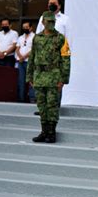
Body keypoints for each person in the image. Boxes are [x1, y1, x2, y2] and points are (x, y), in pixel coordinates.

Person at [27, 11, 71, 144]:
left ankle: (51, 133)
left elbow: (66, 59)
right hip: (39, 76)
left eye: (53, 22)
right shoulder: (37, 38)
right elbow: (32, 57)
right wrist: (29, 76)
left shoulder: (60, 38)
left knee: (52, 105)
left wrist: (63, 79)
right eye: (48, 21)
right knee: (41, 105)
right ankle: (43, 131)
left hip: (53, 76)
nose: (51, 24)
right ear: (43, 22)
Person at [34, 0, 71, 115]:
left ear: (59, 6)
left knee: (56, 83)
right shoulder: (42, 18)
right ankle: (43, 109)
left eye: (54, 3)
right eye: (49, 3)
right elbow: (37, 35)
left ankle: (54, 108)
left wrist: (65, 55)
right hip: (43, 57)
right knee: (42, 83)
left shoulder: (65, 19)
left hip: (57, 57)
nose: (51, 5)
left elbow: (68, 39)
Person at [16, 21, 35, 103]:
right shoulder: (20, 37)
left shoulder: (35, 37)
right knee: (21, 80)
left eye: (26, 27)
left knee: (31, 80)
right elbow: (17, 48)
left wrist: (24, 57)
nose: (25, 29)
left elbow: (33, 49)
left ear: (31, 28)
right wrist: (20, 57)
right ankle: (21, 98)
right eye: (24, 27)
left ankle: (32, 98)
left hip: (30, 62)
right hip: (21, 62)